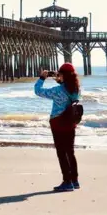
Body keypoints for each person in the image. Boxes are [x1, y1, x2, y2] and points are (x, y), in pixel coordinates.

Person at [34, 63, 81, 192]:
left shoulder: (58, 90)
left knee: (61, 153)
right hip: (71, 122)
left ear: (63, 75)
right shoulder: (76, 89)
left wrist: (42, 78)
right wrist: (61, 81)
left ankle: (67, 182)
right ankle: (74, 180)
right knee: (70, 152)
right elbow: (68, 93)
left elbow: (38, 91)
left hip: (58, 122)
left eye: (60, 74)